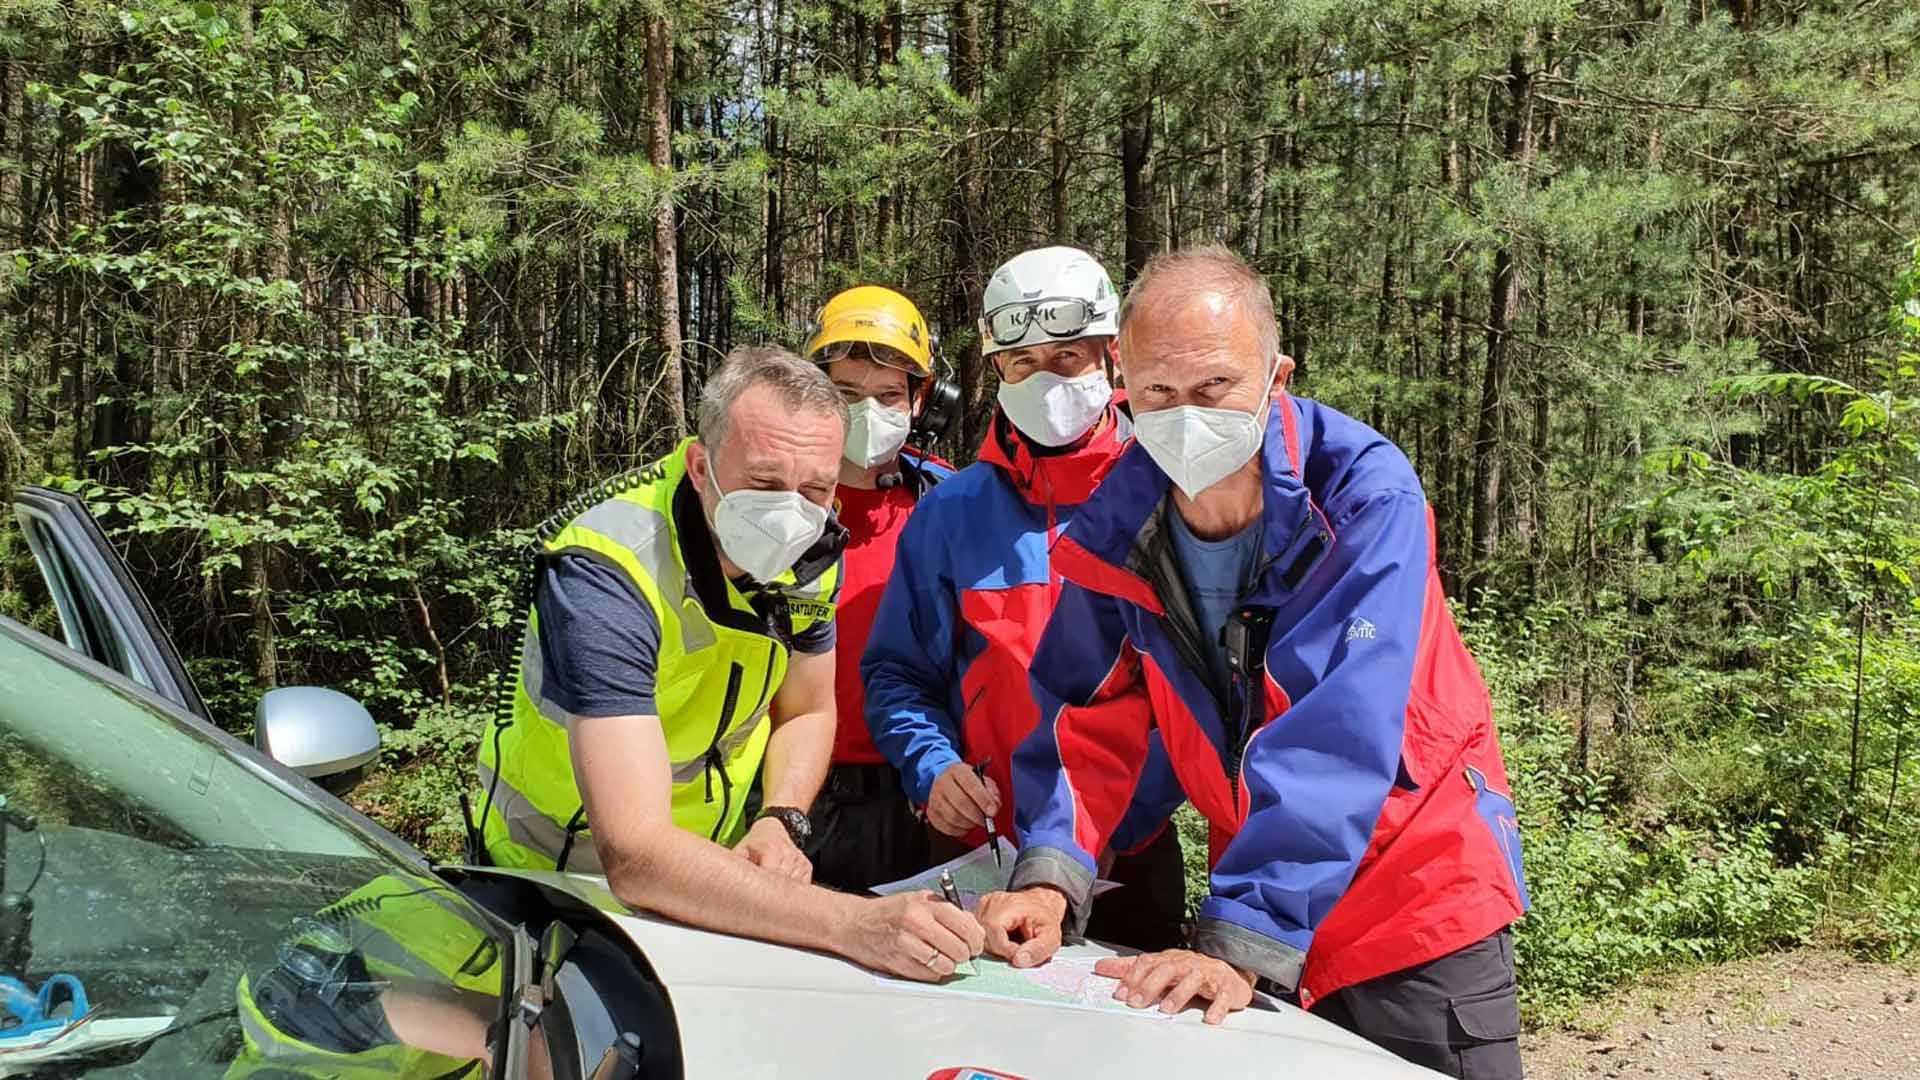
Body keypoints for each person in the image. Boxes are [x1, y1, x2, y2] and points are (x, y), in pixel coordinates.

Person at [977, 247, 1530, 1078]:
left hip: (1412, 894)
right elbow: (1085, 714)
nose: (1183, 414)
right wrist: (1052, 879)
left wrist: (1240, 940)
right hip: (1261, 883)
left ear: (1276, 375)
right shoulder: (1118, 521)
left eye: (1214, 388)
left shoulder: (1363, 497)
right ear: (1122, 376)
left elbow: (1335, 731)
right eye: (1158, 392)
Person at [474, 345, 983, 982]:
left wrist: (783, 819)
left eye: (816, 489)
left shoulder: (813, 551)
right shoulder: (608, 569)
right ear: (699, 465)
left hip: (708, 877)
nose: (790, 512)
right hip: (553, 880)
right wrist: (854, 924)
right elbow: (634, 853)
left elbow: (807, 707)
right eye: (765, 484)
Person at [863, 246, 1188, 951]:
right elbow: (898, 675)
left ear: (1111, 358)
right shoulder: (950, 514)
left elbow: (1198, 702)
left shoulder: (1176, 497)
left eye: (1068, 357)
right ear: (997, 369)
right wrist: (932, 768)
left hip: (1128, 855)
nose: (1046, 380)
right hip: (979, 849)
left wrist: (1114, 822)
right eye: (1023, 362)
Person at [799, 285, 957, 892]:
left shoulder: (948, 503)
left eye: (889, 395)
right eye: (846, 394)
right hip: (789, 792)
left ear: (924, 401)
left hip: (915, 796)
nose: (869, 412)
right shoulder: (769, 501)